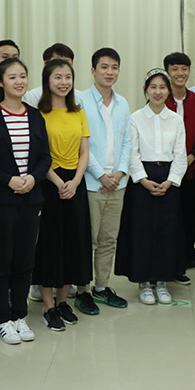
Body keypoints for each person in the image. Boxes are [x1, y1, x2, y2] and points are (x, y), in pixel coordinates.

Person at [0, 58, 51, 344]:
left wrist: (33, 179)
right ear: (0, 82)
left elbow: (45, 156)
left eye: (22, 76)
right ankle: (3, 317)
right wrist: (8, 180)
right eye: (12, 77)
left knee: (25, 259)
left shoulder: (35, 115)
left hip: (31, 198)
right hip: (2, 199)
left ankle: (19, 314)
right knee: (2, 261)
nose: (19, 81)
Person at [115, 68, 186, 306]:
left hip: (168, 180)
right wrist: (143, 180)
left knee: (167, 231)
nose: (158, 92)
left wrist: (170, 181)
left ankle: (163, 282)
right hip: (142, 180)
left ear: (169, 90)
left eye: (162, 87)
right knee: (142, 231)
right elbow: (131, 152)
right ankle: (144, 282)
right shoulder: (135, 118)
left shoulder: (175, 119)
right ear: (145, 89)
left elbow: (180, 154)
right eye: (153, 87)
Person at [31, 58, 92, 330]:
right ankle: (48, 306)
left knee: (72, 243)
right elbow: (38, 156)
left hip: (75, 185)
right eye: (58, 77)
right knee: (49, 245)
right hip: (48, 184)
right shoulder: (38, 114)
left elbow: (84, 151)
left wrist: (75, 181)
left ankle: (64, 301)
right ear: (47, 80)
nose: (64, 82)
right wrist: (58, 182)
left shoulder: (78, 112)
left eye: (68, 77)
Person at [73, 47, 131, 316]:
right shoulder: (80, 101)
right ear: (93, 70)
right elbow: (80, 144)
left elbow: (127, 142)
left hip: (117, 184)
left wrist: (119, 173)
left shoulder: (123, 104)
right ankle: (82, 291)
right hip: (91, 182)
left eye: (114, 67)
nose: (110, 72)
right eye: (104, 67)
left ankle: (102, 287)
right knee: (89, 240)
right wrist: (101, 175)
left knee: (109, 239)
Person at [164, 51, 195, 279]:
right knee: (169, 219)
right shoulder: (160, 98)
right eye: (175, 69)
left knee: (188, 217)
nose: (180, 73)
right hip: (166, 172)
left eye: (184, 69)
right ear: (168, 72)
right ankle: (168, 262)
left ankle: (186, 259)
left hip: (191, 171)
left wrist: (192, 156)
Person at [23, 43, 79, 108]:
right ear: (46, 64)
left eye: (66, 62)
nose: (62, 65)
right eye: (57, 61)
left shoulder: (79, 97)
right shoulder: (33, 96)